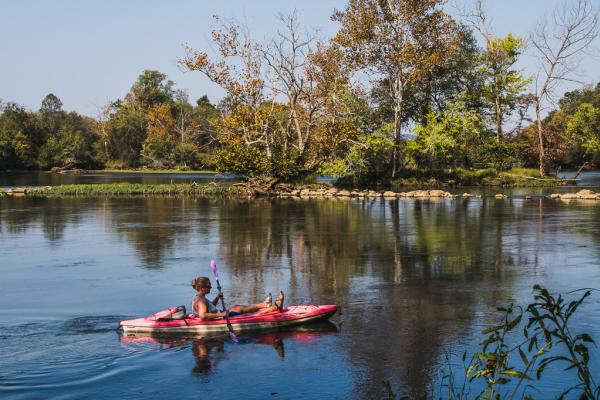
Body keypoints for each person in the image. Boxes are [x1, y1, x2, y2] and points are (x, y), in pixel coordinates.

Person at [191, 276, 284, 320]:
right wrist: (221, 315)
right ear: (202, 288)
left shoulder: (199, 297)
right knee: (247, 315)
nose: (210, 288)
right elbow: (203, 315)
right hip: (218, 318)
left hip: (218, 315)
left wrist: (217, 297)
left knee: (237, 307)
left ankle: (264, 304)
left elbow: (210, 307)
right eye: (208, 286)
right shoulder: (201, 300)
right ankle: (275, 307)